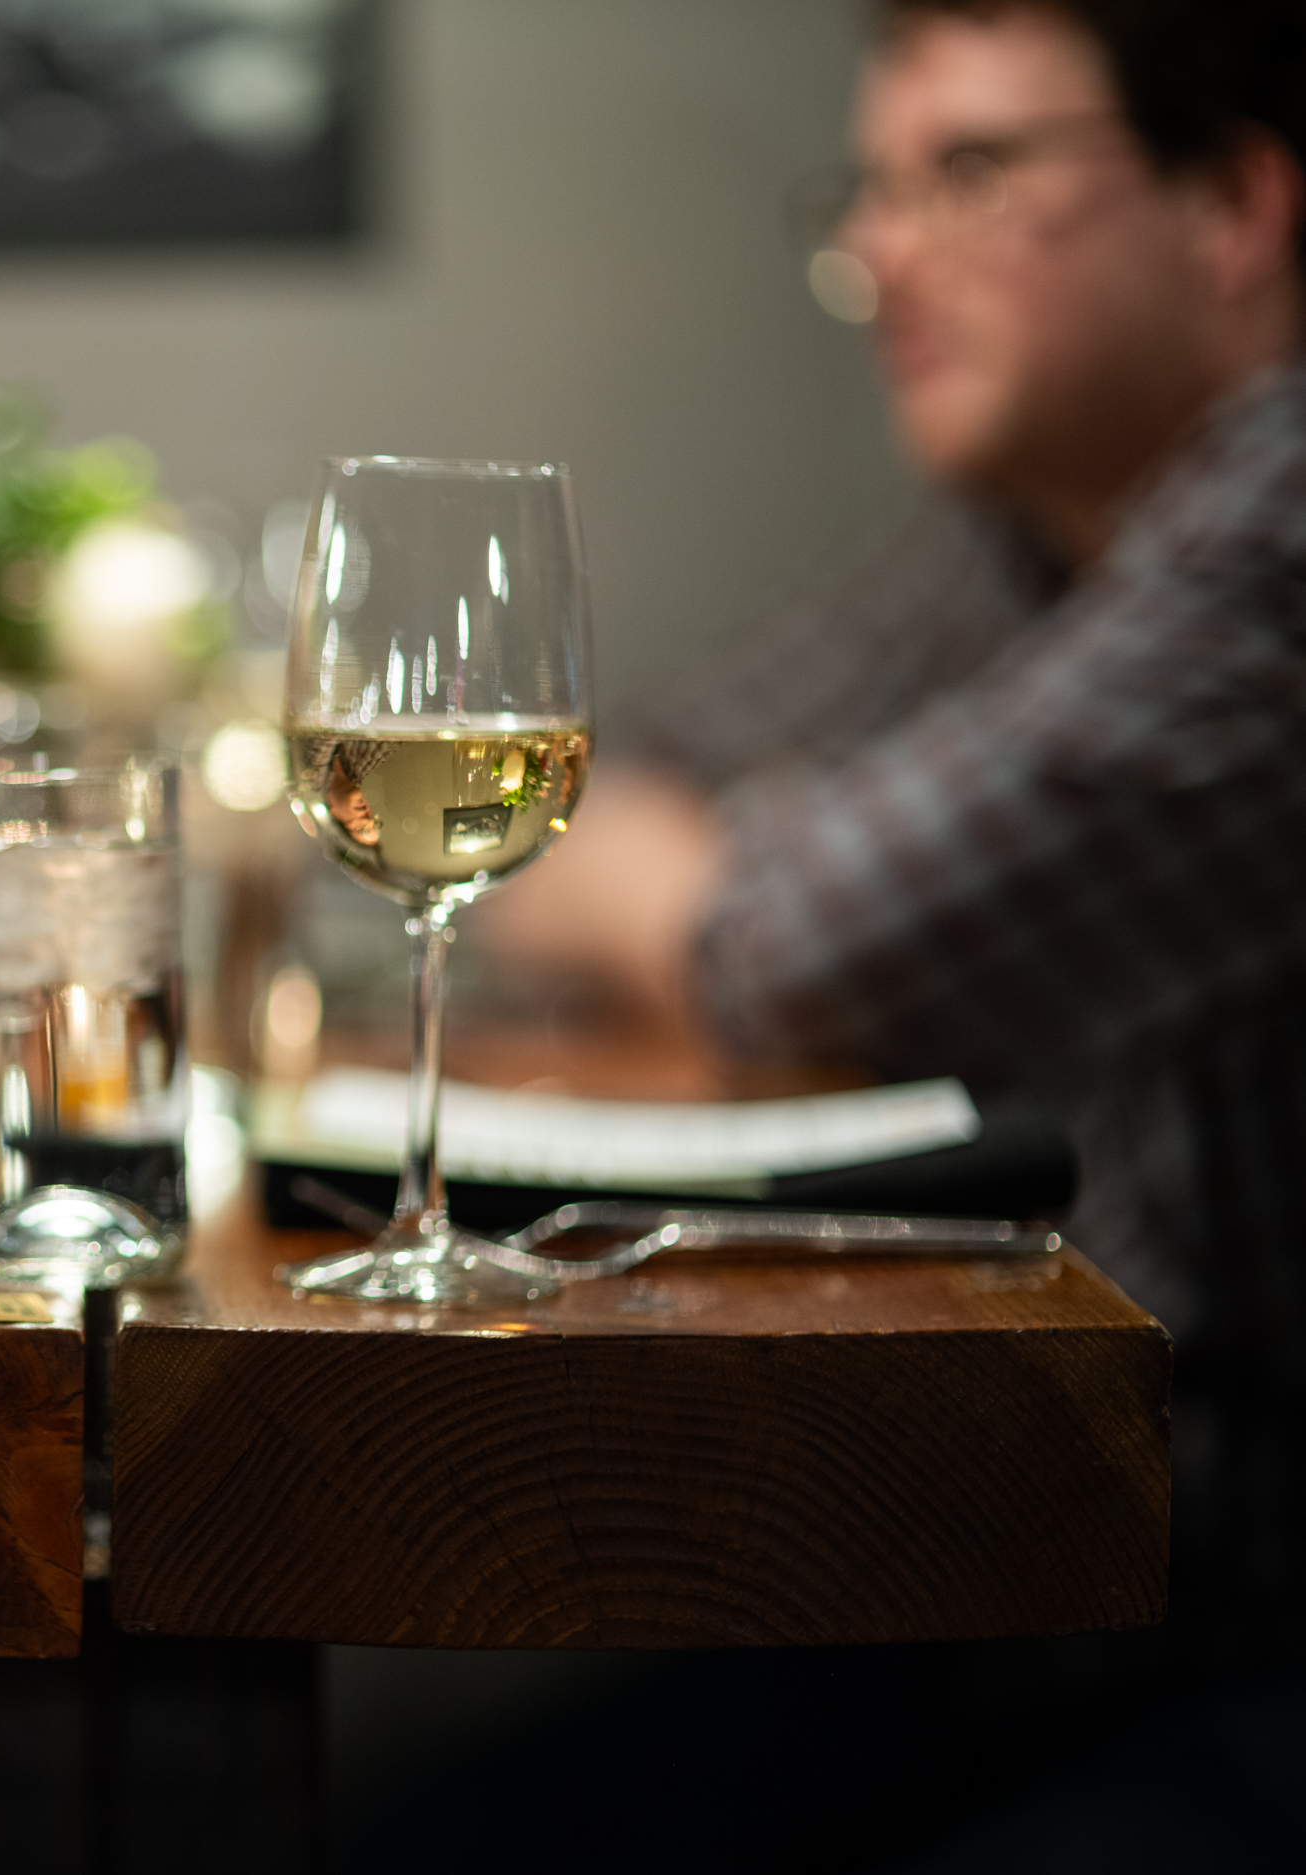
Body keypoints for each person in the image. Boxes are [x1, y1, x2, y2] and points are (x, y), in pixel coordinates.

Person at [447, 1, 1306, 1864]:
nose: (880, 252)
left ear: (1235, 201)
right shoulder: (1037, 525)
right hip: (1052, 1566)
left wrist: (741, 875)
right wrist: (732, 868)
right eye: (872, 191)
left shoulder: (1285, 525)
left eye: (974, 173)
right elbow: (628, 773)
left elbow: (788, 945)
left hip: (1236, 1635)